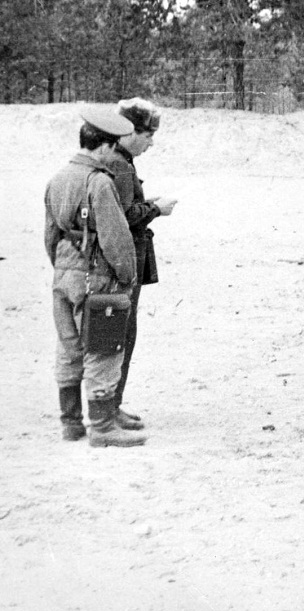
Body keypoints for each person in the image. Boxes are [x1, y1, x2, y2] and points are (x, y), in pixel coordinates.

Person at [45, 107, 145, 447]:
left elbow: (50, 235)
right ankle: (102, 427)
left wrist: (63, 267)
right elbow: (116, 238)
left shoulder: (58, 177)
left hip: (63, 274)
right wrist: (127, 276)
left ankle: (71, 423)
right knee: (103, 348)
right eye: (112, 147)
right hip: (96, 276)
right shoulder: (99, 182)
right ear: (103, 146)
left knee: (68, 347)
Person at [101, 98, 177, 429]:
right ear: (131, 132)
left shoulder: (118, 161)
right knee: (119, 334)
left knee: (118, 333)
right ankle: (108, 408)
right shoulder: (120, 165)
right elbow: (122, 216)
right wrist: (157, 209)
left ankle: (110, 406)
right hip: (124, 262)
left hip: (122, 260)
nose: (151, 143)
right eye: (148, 135)